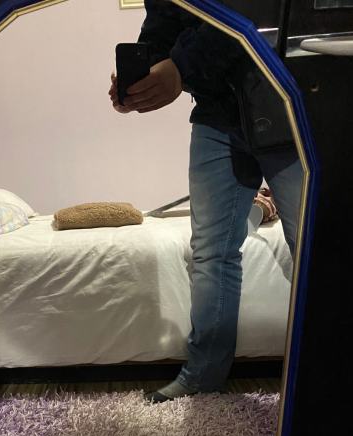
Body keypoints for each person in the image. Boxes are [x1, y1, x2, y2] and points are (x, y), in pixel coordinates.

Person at [109, 0, 303, 403]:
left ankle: (330, 374)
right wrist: (146, 76)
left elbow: (245, 13)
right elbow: (163, 22)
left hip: (288, 105)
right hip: (216, 115)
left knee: (312, 246)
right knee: (211, 253)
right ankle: (203, 376)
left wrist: (180, 67)